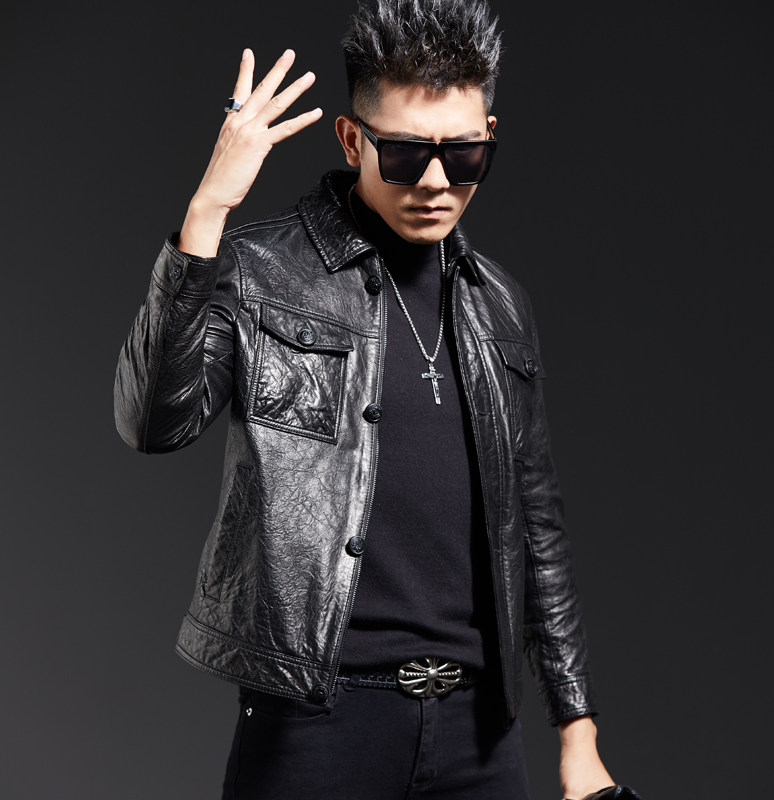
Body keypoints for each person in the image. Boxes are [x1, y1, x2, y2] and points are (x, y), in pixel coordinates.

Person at [114, 1, 618, 797]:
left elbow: (537, 525)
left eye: (464, 156)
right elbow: (153, 422)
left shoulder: (501, 307)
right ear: (353, 141)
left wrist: (577, 733)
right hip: (316, 725)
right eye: (406, 154)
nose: (435, 182)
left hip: (479, 734)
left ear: (489, 137)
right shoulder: (261, 271)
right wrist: (206, 212)